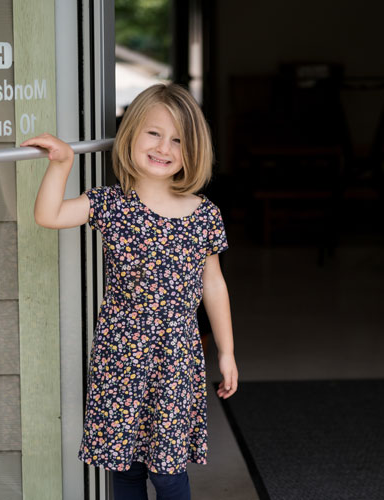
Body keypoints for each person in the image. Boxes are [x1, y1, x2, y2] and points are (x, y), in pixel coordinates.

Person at [21, 83, 238, 500]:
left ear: (193, 151)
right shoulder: (113, 204)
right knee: (126, 467)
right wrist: (61, 164)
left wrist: (226, 352)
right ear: (132, 135)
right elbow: (48, 216)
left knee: (168, 472)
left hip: (176, 357)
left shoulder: (204, 214)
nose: (164, 147)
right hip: (121, 355)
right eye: (154, 133)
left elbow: (214, 284)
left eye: (178, 139)